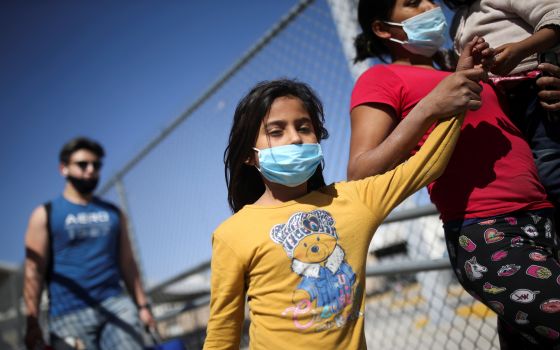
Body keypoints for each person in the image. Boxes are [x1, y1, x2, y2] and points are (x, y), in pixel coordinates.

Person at [203, 43, 486, 349]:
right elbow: (223, 333)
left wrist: (455, 94)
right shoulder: (232, 235)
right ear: (249, 155)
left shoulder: (353, 200)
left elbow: (426, 164)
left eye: (304, 127)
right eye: (276, 131)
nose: (295, 138)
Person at [348, 0, 560, 348]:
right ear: (383, 29)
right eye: (412, 3)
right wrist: (430, 106)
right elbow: (360, 171)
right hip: (488, 234)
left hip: (545, 216)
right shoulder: (381, 78)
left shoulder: (466, 68)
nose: (431, 6)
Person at [23, 137, 155, 350]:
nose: (91, 169)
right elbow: (33, 270)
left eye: (96, 165)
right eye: (82, 164)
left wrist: (143, 306)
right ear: (63, 168)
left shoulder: (114, 213)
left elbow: (128, 263)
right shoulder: (44, 215)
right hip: (67, 316)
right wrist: (32, 322)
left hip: (116, 305)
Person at [445, 0, 560, 231]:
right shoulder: (457, 21)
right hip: (497, 106)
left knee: (549, 166)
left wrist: (521, 49)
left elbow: (555, 15)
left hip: (531, 90)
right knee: (528, 177)